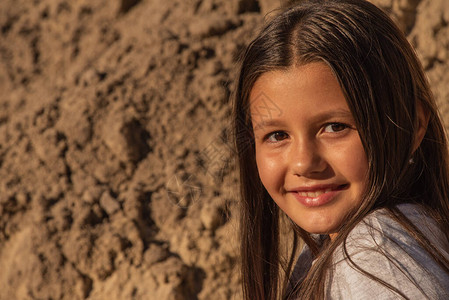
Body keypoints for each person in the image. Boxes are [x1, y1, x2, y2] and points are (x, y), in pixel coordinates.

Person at [233, 0, 449, 299]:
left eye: (335, 127)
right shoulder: (350, 245)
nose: (304, 162)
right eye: (277, 135)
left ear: (413, 126)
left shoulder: (375, 256)